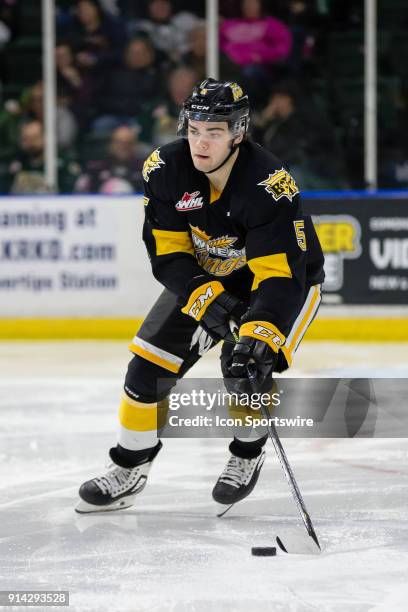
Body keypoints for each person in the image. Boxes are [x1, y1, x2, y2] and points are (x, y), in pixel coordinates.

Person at [76, 78, 325, 514]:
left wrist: (259, 335)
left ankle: (246, 455)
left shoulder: (270, 186)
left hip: (283, 280)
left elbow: (279, 278)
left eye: (214, 131)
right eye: (194, 128)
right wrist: (204, 296)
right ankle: (130, 466)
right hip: (206, 273)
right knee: (144, 372)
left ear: (238, 132)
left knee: (244, 370)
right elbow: (168, 254)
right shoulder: (166, 169)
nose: (200, 142)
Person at [75, 125, 146, 193]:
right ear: (111, 144)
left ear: (135, 145)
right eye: (119, 142)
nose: (123, 146)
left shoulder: (145, 169)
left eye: (128, 143)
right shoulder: (95, 167)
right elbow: (80, 192)